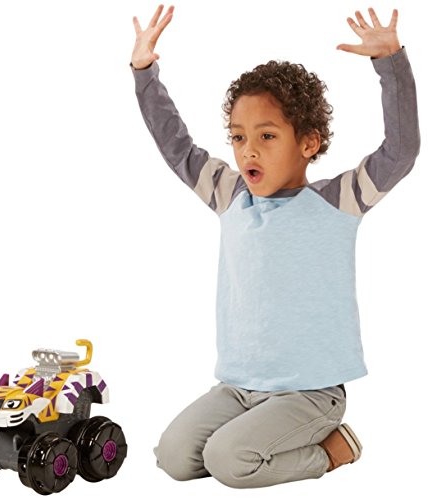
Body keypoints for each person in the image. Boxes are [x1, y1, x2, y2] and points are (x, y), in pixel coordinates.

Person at [130, 4, 420, 489]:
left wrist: (391, 63)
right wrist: (144, 73)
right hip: (239, 388)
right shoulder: (229, 196)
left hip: (310, 392)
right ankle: (253, 440)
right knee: (174, 459)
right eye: (238, 137)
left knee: (227, 462)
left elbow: (401, 151)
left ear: (308, 143)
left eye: (267, 136)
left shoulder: (338, 201)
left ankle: (330, 450)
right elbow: (176, 145)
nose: (248, 150)